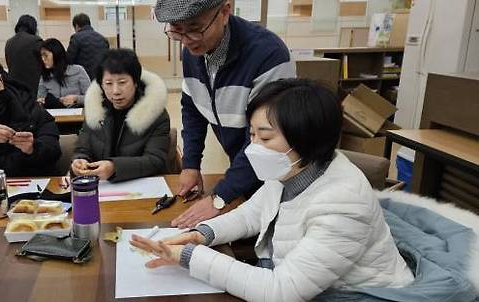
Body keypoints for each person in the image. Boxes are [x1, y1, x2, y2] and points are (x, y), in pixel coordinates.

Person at [130, 79, 415, 301]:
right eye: (251, 135)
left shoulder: (343, 202)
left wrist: (188, 256)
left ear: (307, 138)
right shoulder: (293, 167)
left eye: (264, 136)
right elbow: (252, 214)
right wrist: (202, 233)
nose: (254, 147)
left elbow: (280, 292)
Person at [154, 0, 296, 228]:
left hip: (282, 179)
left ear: (225, 11)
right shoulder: (193, 53)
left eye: (195, 28)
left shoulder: (268, 55)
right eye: (177, 30)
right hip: (244, 171)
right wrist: (190, 164)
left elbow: (266, 142)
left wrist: (221, 196)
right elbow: (193, 110)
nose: (187, 40)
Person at [70, 49, 170, 182]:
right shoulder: (95, 110)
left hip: (141, 188)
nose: (115, 91)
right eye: (109, 84)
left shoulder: (156, 114)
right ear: (101, 85)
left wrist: (114, 167)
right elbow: (83, 148)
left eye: (122, 82)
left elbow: (155, 160)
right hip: (102, 188)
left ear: (135, 82)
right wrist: (80, 160)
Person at [37, 38, 91, 109]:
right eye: (41, 56)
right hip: (54, 117)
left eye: (45, 55)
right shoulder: (44, 76)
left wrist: (76, 99)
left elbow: (92, 98)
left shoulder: (78, 70)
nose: (43, 59)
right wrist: (40, 102)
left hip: (77, 115)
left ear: (56, 54)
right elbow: (40, 99)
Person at [5, 15, 43, 97]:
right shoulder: (36, 40)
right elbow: (43, 61)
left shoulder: (9, 42)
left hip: (14, 85)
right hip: (32, 84)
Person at [66, 13, 110, 79]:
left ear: (77, 26)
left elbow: (69, 60)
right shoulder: (103, 39)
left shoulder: (76, 37)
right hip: (100, 77)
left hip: (83, 78)